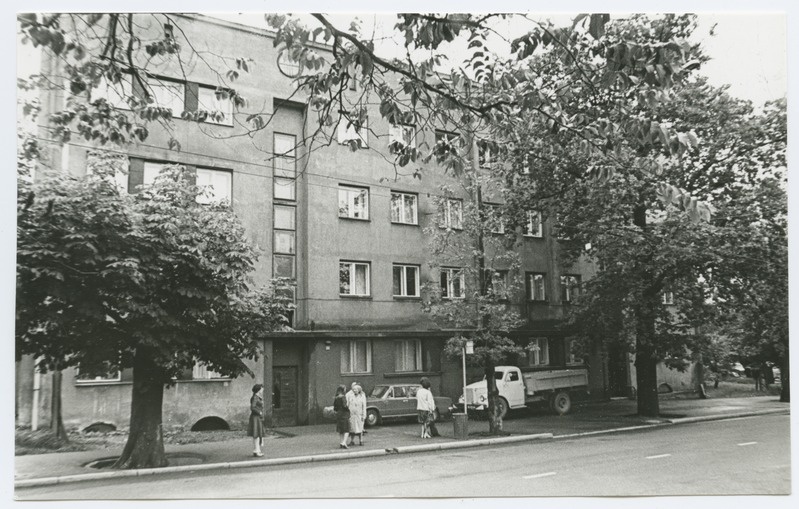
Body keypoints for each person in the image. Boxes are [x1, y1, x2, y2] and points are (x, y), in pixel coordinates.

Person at [247, 384, 265, 457]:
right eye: (261, 389)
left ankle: (257, 450)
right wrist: (259, 412)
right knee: (256, 434)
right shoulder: (255, 397)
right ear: (258, 390)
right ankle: (256, 450)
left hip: (257, 417)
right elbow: (252, 407)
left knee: (257, 434)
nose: (262, 390)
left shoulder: (257, 397)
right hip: (256, 417)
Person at [333, 384, 350, 449]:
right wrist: (348, 410)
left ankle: (341, 442)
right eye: (345, 389)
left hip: (339, 414)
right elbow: (345, 406)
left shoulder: (336, 397)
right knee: (346, 429)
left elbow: (335, 407)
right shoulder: (343, 397)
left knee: (341, 430)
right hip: (344, 414)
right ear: (343, 390)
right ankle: (344, 443)